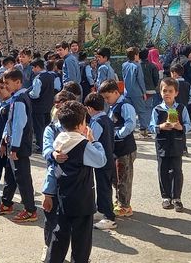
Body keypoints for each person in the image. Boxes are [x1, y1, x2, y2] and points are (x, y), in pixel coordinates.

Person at [44, 101, 107, 263]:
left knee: (59, 237)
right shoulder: (84, 144)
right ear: (81, 124)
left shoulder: (58, 141)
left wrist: (48, 193)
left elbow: (53, 168)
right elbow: (101, 161)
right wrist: (93, 141)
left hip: (63, 197)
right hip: (82, 201)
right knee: (81, 243)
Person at [40, 90, 77, 259]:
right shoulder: (51, 128)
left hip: (75, 183)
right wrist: (53, 154)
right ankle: (48, 247)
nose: (58, 106)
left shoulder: (80, 127)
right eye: (56, 103)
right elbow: (46, 148)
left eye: (62, 103)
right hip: (54, 179)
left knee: (71, 221)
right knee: (51, 217)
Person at [0, 69, 37, 223]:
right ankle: (7, 202)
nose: (6, 86)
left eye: (7, 83)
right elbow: (10, 122)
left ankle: (30, 210)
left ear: (18, 82)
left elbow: (18, 125)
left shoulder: (20, 99)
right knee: (10, 175)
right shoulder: (16, 98)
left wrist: (14, 148)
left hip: (19, 145)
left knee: (22, 178)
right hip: (13, 144)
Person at [149, 77, 191, 212]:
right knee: (163, 170)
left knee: (177, 170)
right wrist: (161, 126)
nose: (167, 93)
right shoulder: (157, 109)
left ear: (176, 93)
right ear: (160, 92)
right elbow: (151, 126)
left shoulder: (181, 108)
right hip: (162, 143)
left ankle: (177, 197)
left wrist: (180, 127)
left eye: (170, 91)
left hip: (177, 143)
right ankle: (166, 197)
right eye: (164, 91)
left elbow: (188, 125)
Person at [99, 79, 136, 217]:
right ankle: (119, 201)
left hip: (125, 148)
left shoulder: (125, 106)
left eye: (107, 97)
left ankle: (125, 205)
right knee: (116, 178)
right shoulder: (113, 106)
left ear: (116, 92)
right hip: (116, 149)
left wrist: (118, 135)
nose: (106, 100)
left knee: (124, 178)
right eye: (104, 98)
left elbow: (130, 124)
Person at [84, 92, 117, 230]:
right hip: (109, 157)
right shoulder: (107, 119)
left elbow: (92, 140)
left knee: (104, 188)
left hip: (102, 160)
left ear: (90, 109)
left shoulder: (96, 122)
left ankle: (109, 217)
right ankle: (102, 209)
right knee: (104, 186)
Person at [29, 58, 58, 152]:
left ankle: (40, 146)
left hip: (38, 107)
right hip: (49, 106)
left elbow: (35, 94)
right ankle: (47, 144)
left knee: (39, 128)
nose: (33, 70)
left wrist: (28, 94)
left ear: (37, 67)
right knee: (47, 127)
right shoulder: (51, 76)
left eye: (33, 68)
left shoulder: (38, 78)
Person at [122, 47, 148, 136]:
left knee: (129, 112)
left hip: (127, 92)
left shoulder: (124, 65)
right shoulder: (137, 65)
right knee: (141, 111)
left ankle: (130, 129)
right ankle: (143, 130)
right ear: (136, 55)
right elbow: (140, 80)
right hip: (137, 92)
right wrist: (144, 92)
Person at [0, 76, 12, 182]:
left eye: (2, 88)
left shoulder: (12, 105)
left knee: (9, 173)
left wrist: (3, 144)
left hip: (6, 143)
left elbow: (9, 126)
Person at [140, 48, 160, 133]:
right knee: (148, 108)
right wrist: (154, 86)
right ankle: (147, 127)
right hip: (150, 90)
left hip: (140, 90)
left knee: (141, 109)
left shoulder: (137, 65)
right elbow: (156, 78)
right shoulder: (152, 66)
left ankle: (142, 127)